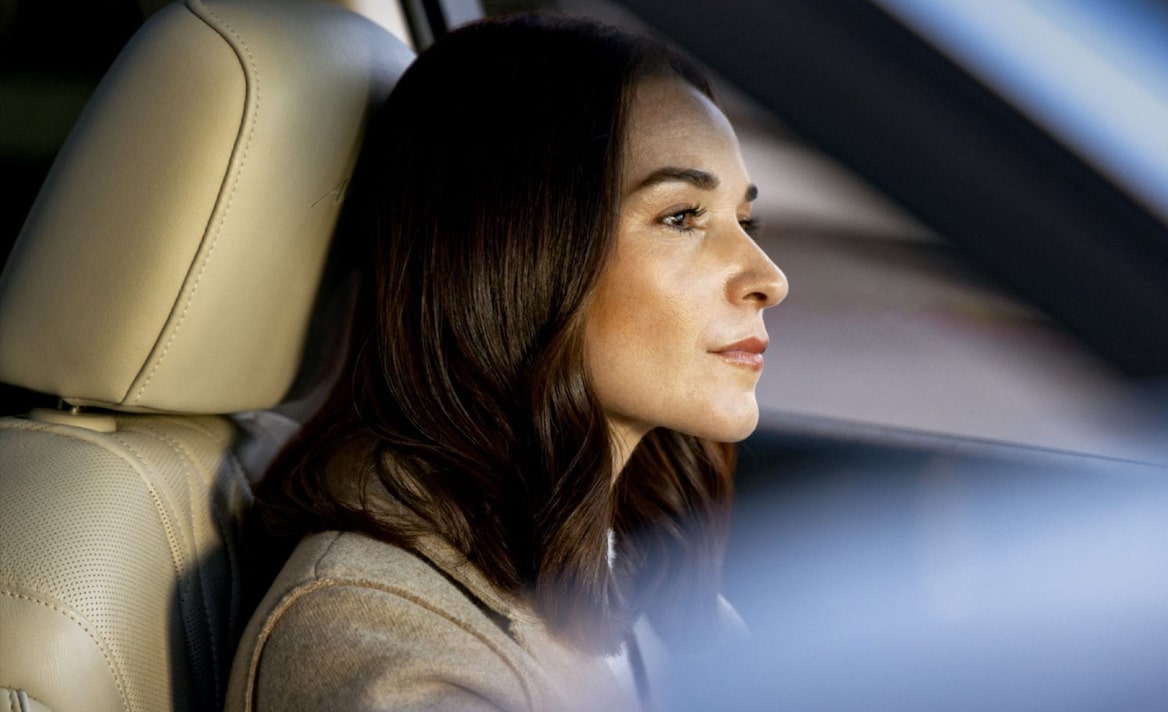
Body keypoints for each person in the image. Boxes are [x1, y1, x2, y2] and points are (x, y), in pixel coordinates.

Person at [225, 12, 788, 712]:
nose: (768, 277)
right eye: (682, 217)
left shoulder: (632, 569)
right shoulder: (376, 644)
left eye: (746, 220)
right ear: (520, 258)